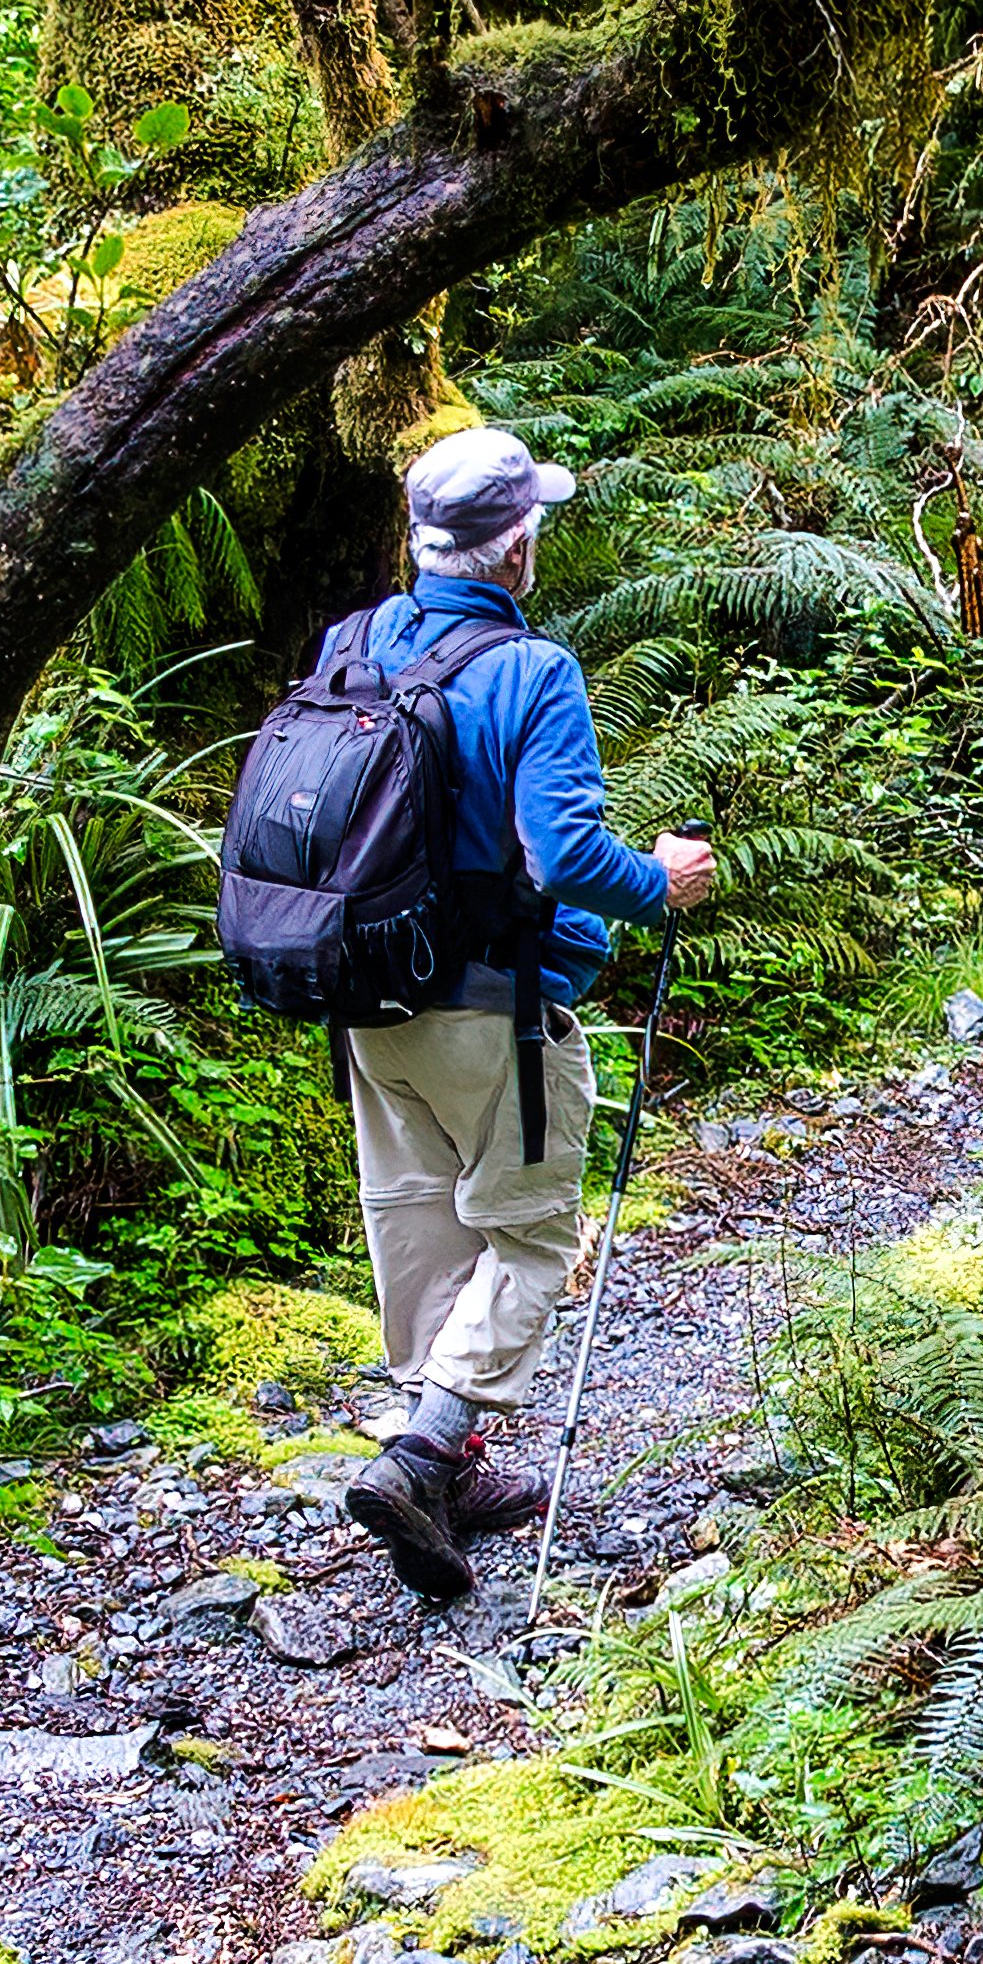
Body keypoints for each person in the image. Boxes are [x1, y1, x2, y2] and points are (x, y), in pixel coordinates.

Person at [334, 423, 717, 1599]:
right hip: (496, 1010)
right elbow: (560, 854)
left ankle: (450, 1464)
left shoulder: (356, 643)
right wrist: (662, 883)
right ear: (514, 549)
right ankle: (428, 1447)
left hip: (362, 994)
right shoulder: (531, 672)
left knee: (419, 1222)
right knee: (534, 1234)